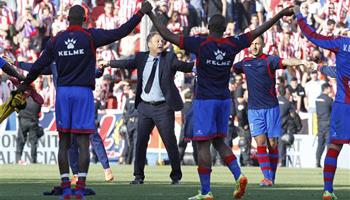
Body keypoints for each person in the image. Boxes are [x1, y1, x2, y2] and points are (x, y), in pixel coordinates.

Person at [147, 2, 294, 199]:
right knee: (218, 141)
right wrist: (279, 14)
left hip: (205, 100)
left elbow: (167, 35)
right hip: (224, 100)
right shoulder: (233, 43)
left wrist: (150, 14)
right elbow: (260, 28)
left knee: (202, 145)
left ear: (208, 27)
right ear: (225, 29)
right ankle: (238, 175)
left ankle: (206, 191)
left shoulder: (200, 43)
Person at [16, 3, 152, 199]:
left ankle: (65, 183)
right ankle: (80, 185)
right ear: (85, 19)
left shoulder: (56, 40)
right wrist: (140, 13)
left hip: (63, 93)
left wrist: (23, 84)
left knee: (64, 141)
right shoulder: (90, 36)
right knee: (82, 140)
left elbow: (38, 66)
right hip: (83, 93)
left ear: (67, 19)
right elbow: (121, 31)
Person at [100, 31, 194, 185]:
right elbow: (126, 63)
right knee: (140, 142)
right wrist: (109, 63)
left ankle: (176, 177)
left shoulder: (169, 57)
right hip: (144, 107)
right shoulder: (141, 57)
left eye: (162, 41)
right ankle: (138, 176)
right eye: (157, 41)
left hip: (163, 108)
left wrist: (198, 65)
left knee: (170, 142)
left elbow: (183, 66)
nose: (160, 43)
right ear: (149, 44)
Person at [16, 59, 114, 183]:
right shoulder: (57, 62)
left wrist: (99, 70)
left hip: (73, 102)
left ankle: (101, 169)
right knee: (76, 139)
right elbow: (35, 67)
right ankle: (83, 173)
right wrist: (17, 64)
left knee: (86, 136)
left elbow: (92, 73)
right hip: (71, 102)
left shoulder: (67, 60)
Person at [233, 35, 311, 186]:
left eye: (258, 44)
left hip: (271, 108)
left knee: (273, 143)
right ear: (249, 46)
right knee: (260, 142)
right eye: (252, 44)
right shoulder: (244, 63)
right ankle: (267, 178)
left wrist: (302, 61)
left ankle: (271, 177)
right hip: (254, 110)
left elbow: (287, 61)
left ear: (263, 45)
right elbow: (232, 67)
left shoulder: (269, 60)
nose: (254, 46)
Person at [294, 6, 350, 200]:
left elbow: (312, 36)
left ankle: (328, 190)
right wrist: (320, 68)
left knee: (334, 147)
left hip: (343, 105)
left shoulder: (341, 43)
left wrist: (299, 15)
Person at [277, 86, 302, 167]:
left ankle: (271, 161)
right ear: (285, 93)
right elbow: (293, 115)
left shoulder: (273, 101)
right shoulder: (287, 103)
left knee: (272, 145)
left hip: (272, 126)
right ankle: (281, 161)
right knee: (281, 144)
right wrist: (299, 126)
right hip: (282, 126)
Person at [15, 96, 43, 164]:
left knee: (21, 140)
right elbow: (38, 111)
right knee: (33, 142)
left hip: (23, 121)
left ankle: (18, 159)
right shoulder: (37, 100)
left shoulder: (22, 99)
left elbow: (17, 109)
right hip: (33, 122)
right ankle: (33, 160)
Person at [315, 83, 333, 168]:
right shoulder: (329, 99)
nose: (331, 89)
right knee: (328, 144)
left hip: (320, 123)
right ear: (326, 88)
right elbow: (333, 112)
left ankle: (317, 162)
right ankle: (328, 163)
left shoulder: (317, 99)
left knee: (320, 145)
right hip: (328, 124)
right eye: (330, 88)